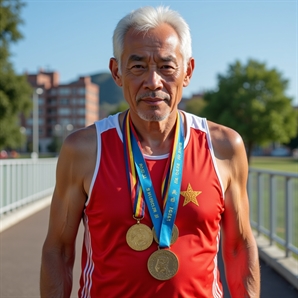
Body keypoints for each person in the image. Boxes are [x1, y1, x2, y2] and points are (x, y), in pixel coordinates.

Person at [40, 6, 260, 298]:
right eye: (138, 66)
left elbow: (238, 246)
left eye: (167, 67)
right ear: (117, 72)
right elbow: (59, 250)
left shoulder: (223, 146)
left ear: (188, 72)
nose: (153, 82)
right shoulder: (84, 149)